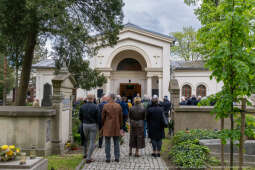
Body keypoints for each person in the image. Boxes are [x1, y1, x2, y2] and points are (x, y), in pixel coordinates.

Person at [102, 94, 123, 163]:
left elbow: (103, 117)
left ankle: (108, 158)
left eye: (108, 97)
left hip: (107, 126)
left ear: (111, 98)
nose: (107, 98)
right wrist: (121, 126)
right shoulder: (118, 106)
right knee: (116, 142)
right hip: (116, 126)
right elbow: (121, 117)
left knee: (107, 142)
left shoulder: (106, 105)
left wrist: (102, 125)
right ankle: (117, 157)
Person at [79, 94, 99, 163]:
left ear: (87, 98)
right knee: (92, 142)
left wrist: (83, 121)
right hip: (93, 125)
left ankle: (85, 154)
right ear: (93, 98)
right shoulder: (96, 106)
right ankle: (88, 157)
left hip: (85, 124)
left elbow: (80, 117)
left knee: (85, 140)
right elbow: (98, 118)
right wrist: (98, 125)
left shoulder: (82, 106)